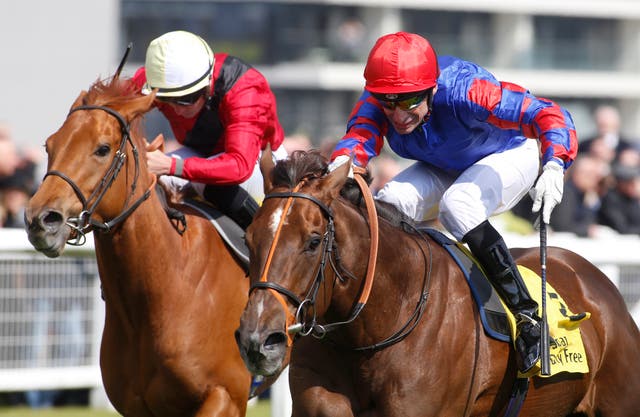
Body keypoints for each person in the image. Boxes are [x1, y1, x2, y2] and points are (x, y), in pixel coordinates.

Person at [329, 32, 578, 374]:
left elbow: (551, 113)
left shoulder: (468, 91)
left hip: (508, 154)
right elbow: (357, 140)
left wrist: (554, 163)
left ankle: (526, 315)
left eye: (408, 102)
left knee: (457, 205)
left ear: (432, 90)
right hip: (445, 164)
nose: (397, 115)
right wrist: (338, 167)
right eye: (388, 103)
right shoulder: (380, 100)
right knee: (389, 203)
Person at [132, 30, 286, 229]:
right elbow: (110, 107)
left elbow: (239, 165)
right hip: (202, 154)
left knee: (200, 182)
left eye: (186, 99)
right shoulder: (158, 79)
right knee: (141, 173)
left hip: (261, 162)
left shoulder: (246, 89)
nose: (177, 110)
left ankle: (266, 243)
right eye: (167, 100)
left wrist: (171, 166)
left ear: (207, 85)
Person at [598, 162, 640, 235]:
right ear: (622, 183)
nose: (634, 186)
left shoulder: (632, 197)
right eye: (630, 183)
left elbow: (637, 220)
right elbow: (622, 228)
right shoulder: (610, 199)